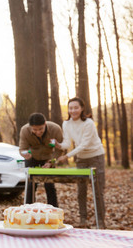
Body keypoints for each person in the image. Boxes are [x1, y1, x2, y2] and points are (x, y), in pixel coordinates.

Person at [56, 97, 106, 228]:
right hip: (81, 159)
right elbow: (67, 142)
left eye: (76, 108)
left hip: (96, 157)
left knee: (98, 191)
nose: (73, 110)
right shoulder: (66, 124)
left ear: (82, 108)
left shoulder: (88, 123)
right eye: (71, 108)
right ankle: (83, 219)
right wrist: (59, 145)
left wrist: (67, 156)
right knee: (81, 190)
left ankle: (100, 221)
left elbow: (84, 144)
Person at [19, 113, 63, 207]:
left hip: (48, 158)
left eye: (41, 129)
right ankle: (28, 210)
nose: (38, 132)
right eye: (35, 130)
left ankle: (54, 210)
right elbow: (22, 149)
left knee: (49, 184)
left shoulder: (55, 129)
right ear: (30, 127)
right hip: (32, 158)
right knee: (30, 185)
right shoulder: (24, 130)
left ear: (45, 125)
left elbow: (60, 149)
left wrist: (51, 162)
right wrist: (25, 154)